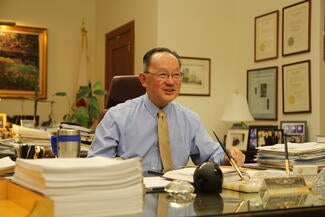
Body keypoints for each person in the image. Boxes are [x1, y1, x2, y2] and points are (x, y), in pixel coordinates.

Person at [87, 47, 245, 173]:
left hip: (177, 197)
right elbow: (96, 165)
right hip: (132, 195)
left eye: (176, 75)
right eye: (163, 75)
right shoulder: (117, 116)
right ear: (144, 79)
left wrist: (227, 156)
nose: (171, 82)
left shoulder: (189, 119)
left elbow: (210, 154)